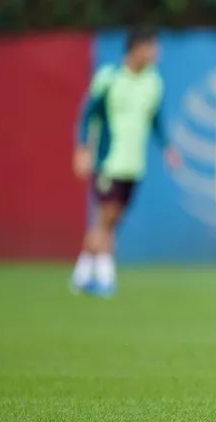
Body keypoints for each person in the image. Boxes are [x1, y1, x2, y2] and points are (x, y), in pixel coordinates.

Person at [69, 27, 180, 298]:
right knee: (105, 217)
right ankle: (105, 278)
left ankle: (82, 274)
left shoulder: (153, 82)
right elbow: (88, 115)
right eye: (151, 47)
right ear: (136, 49)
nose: (156, 53)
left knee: (110, 220)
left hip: (134, 165)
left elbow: (155, 119)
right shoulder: (109, 79)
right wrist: (83, 149)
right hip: (109, 162)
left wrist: (166, 147)